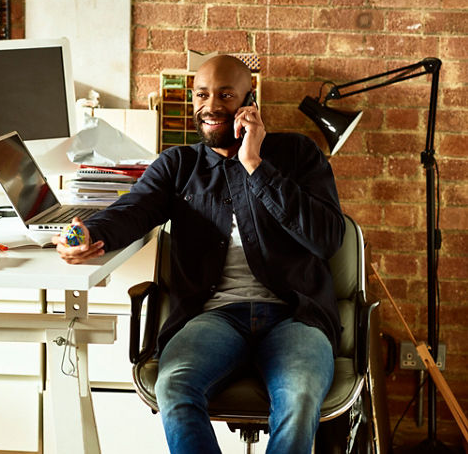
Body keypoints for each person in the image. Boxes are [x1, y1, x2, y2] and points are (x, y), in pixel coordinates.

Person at [53, 55, 346, 454]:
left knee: (300, 395)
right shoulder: (179, 165)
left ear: (250, 101)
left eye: (226, 95)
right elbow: (132, 211)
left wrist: (256, 166)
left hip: (294, 315)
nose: (211, 106)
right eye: (202, 95)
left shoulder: (298, 154)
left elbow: (328, 238)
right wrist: (89, 232)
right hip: (213, 317)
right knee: (174, 385)